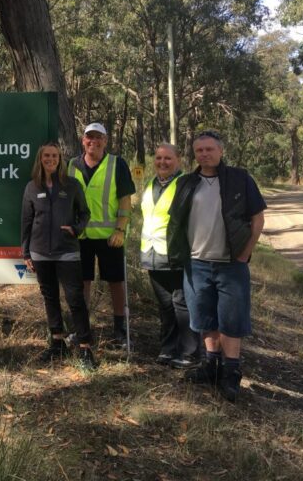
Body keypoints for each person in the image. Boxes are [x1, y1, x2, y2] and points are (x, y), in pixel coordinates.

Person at [167, 130, 265, 402]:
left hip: (230, 264)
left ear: (220, 151)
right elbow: (176, 222)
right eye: (199, 150)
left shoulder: (240, 179)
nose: (204, 154)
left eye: (209, 149)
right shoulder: (186, 183)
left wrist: (245, 253)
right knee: (205, 317)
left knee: (232, 321)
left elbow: (258, 219)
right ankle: (211, 366)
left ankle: (231, 372)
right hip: (196, 264)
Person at [21, 142, 97, 370]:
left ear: (59, 159)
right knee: (50, 297)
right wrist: (26, 251)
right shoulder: (32, 187)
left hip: (67, 251)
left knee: (75, 299)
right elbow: (26, 221)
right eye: (46, 155)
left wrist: (76, 228)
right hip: (40, 252)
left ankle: (85, 347)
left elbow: (84, 212)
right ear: (40, 159)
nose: (50, 159)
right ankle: (57, 343)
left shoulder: (71, 185)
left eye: (54, 155)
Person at [68, 122, 135, 347]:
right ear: (83, 140)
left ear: (105, 141)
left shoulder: (117, 164)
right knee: (82, 282)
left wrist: (120, 229)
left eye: (98, 138)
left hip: (110, 237)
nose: (93, 142)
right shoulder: (71, 165)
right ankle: (83, 328)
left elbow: (126, 200)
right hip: (80, 237)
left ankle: (119, 328)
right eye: (89, 137)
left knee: (116, 282)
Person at [140, 143, 200, 368]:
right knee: (165, 306)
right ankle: (168, 349)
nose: (162, 162)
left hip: (175, 255)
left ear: (178, 160)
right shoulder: (150, 184)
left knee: (181, 304)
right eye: (158, 158)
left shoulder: (185, 184)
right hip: (152, 255)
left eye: (167, 158)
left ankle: (190, 353)